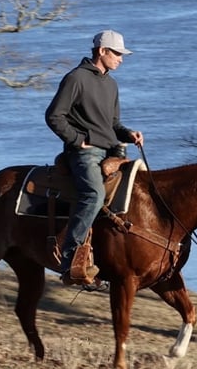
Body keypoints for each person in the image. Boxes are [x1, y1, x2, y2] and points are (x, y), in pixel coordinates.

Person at [45, 29, 144, 285]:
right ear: (102, 51)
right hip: (84, 154)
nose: (121, 59)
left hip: (112, 152)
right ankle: (71, 261)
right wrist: (78, 140)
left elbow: (113, 124)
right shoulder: (76, 78)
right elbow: (54, 116)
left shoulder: (111, 84)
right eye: (117, 54)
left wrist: (128, 133)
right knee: (93, 195)